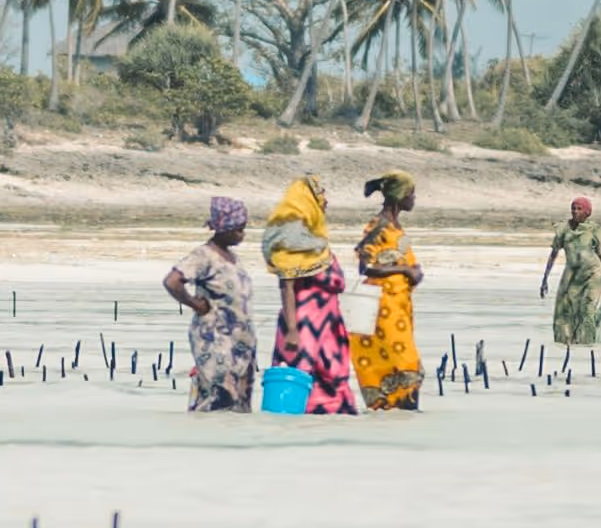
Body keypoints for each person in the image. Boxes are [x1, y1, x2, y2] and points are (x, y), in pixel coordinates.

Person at [261, 177, 359, 414]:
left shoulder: (315, 239)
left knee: (333, 378)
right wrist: (293, 330)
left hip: (328, 325)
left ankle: (327, 428)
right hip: (304, 325)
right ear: (308, 199)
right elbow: (287, 285)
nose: (326, 201)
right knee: (300, 377)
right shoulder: (292, 238)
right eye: (321, 194)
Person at [165, 197, 260, 412]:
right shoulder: (204, 255)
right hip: (215, 340)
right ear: (223, 229)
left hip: (241, 345)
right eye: (238, 230)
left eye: (243, 229)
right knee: (218, 400)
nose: (242, 235)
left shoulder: (233, 258)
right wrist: (194, 304)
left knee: (240, 407)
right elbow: (172, 281)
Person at [354, 172, 422, 410]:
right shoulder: (378, 226)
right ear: (400, 196)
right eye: (411, 193)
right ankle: (398, 411)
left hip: (399, 310)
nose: (414, 198)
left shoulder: (395, 226)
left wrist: (413, 271)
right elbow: (366, 267)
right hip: (383, 312)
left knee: (403, 366)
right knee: (406, 364)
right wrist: (405, 270)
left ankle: (399, 418)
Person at [539, 194, 601, 350]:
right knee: (564, 311)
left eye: (579, 209)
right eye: (573, 208)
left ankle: (587, 345)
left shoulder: (593, 229)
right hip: (572, 274)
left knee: (587, 310)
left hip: (592, 274)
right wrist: (544, 279)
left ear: (587, 212)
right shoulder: (563, 229)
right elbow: (554, 253)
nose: (575, 212)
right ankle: (566, 344)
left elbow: (600, 255)